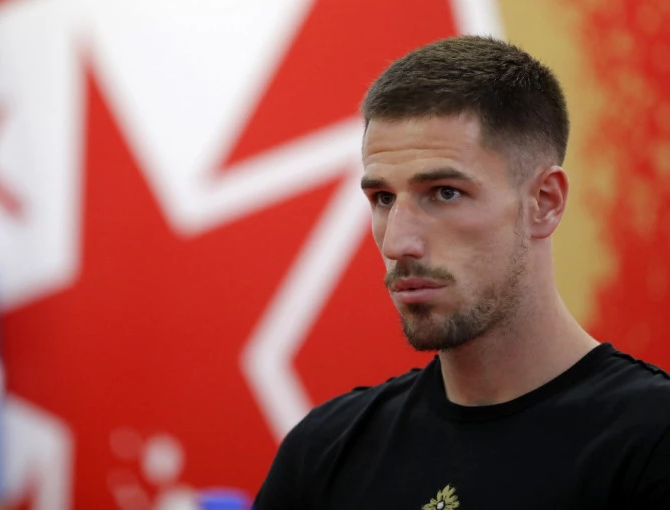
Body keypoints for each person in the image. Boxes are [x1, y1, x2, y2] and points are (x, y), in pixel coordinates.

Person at [253, 35, 670, 509]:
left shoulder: (652, 441)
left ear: (544, 202)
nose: (397, 243)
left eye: (444, 192)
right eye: (383, 198)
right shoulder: (324, 450)